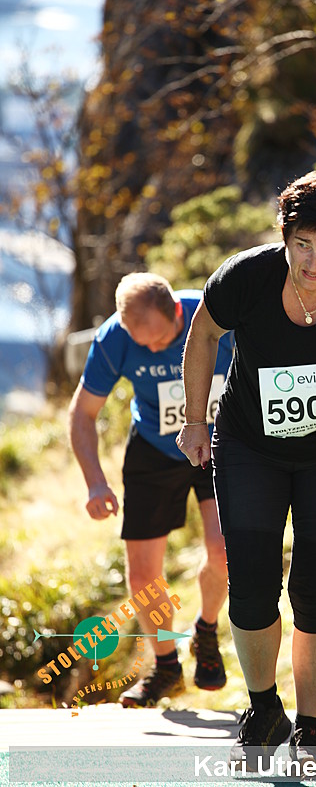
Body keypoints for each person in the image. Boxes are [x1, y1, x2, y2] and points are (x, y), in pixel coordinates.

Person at [176, 170, 316, 774]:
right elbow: (203, 335)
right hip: (250, 447)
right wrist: (195, 420)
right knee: (252, 583)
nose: (314, 263)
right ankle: (262, 711)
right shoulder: (245, 277)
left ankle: (310, 730)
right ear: (284, 236)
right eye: (303, 245)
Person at [68, 272, 233, 707]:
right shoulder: (114, 339)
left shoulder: (216, 314)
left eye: (160, 339)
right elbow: (82, 413)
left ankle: (206, 630)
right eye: (144, 344)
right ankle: (165, 667)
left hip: (219, 441)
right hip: (155, 449)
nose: (155, 349)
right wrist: (95, 481)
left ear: (176, 310)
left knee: (223, 552)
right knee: (143, 575)